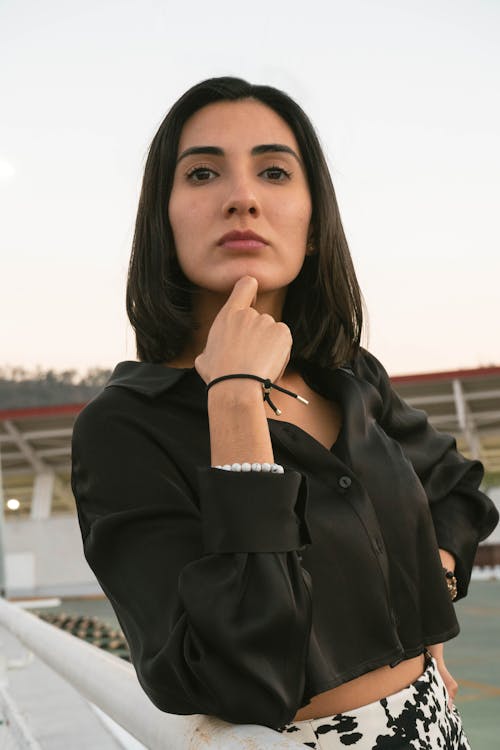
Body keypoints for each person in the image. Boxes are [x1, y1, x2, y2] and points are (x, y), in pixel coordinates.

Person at [71, 77, 498, 749]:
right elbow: (241, 674)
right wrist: (235, 398)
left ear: (312, 219)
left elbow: (458, 492)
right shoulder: (124, 429)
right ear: (164, 217)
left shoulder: (351, 375)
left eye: (273, 171)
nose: (242, 197)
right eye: (203, 172)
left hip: (436, 725)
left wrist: (424, 592)